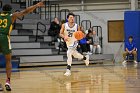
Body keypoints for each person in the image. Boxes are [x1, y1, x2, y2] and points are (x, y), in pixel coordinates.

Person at [0, 2, 44, 91]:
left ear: (2, 10)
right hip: (4, 37)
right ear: (10, 10)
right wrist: (35, 5)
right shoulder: (12, 15)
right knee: (8, 60)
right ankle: (7, 81)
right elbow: (25, 11)